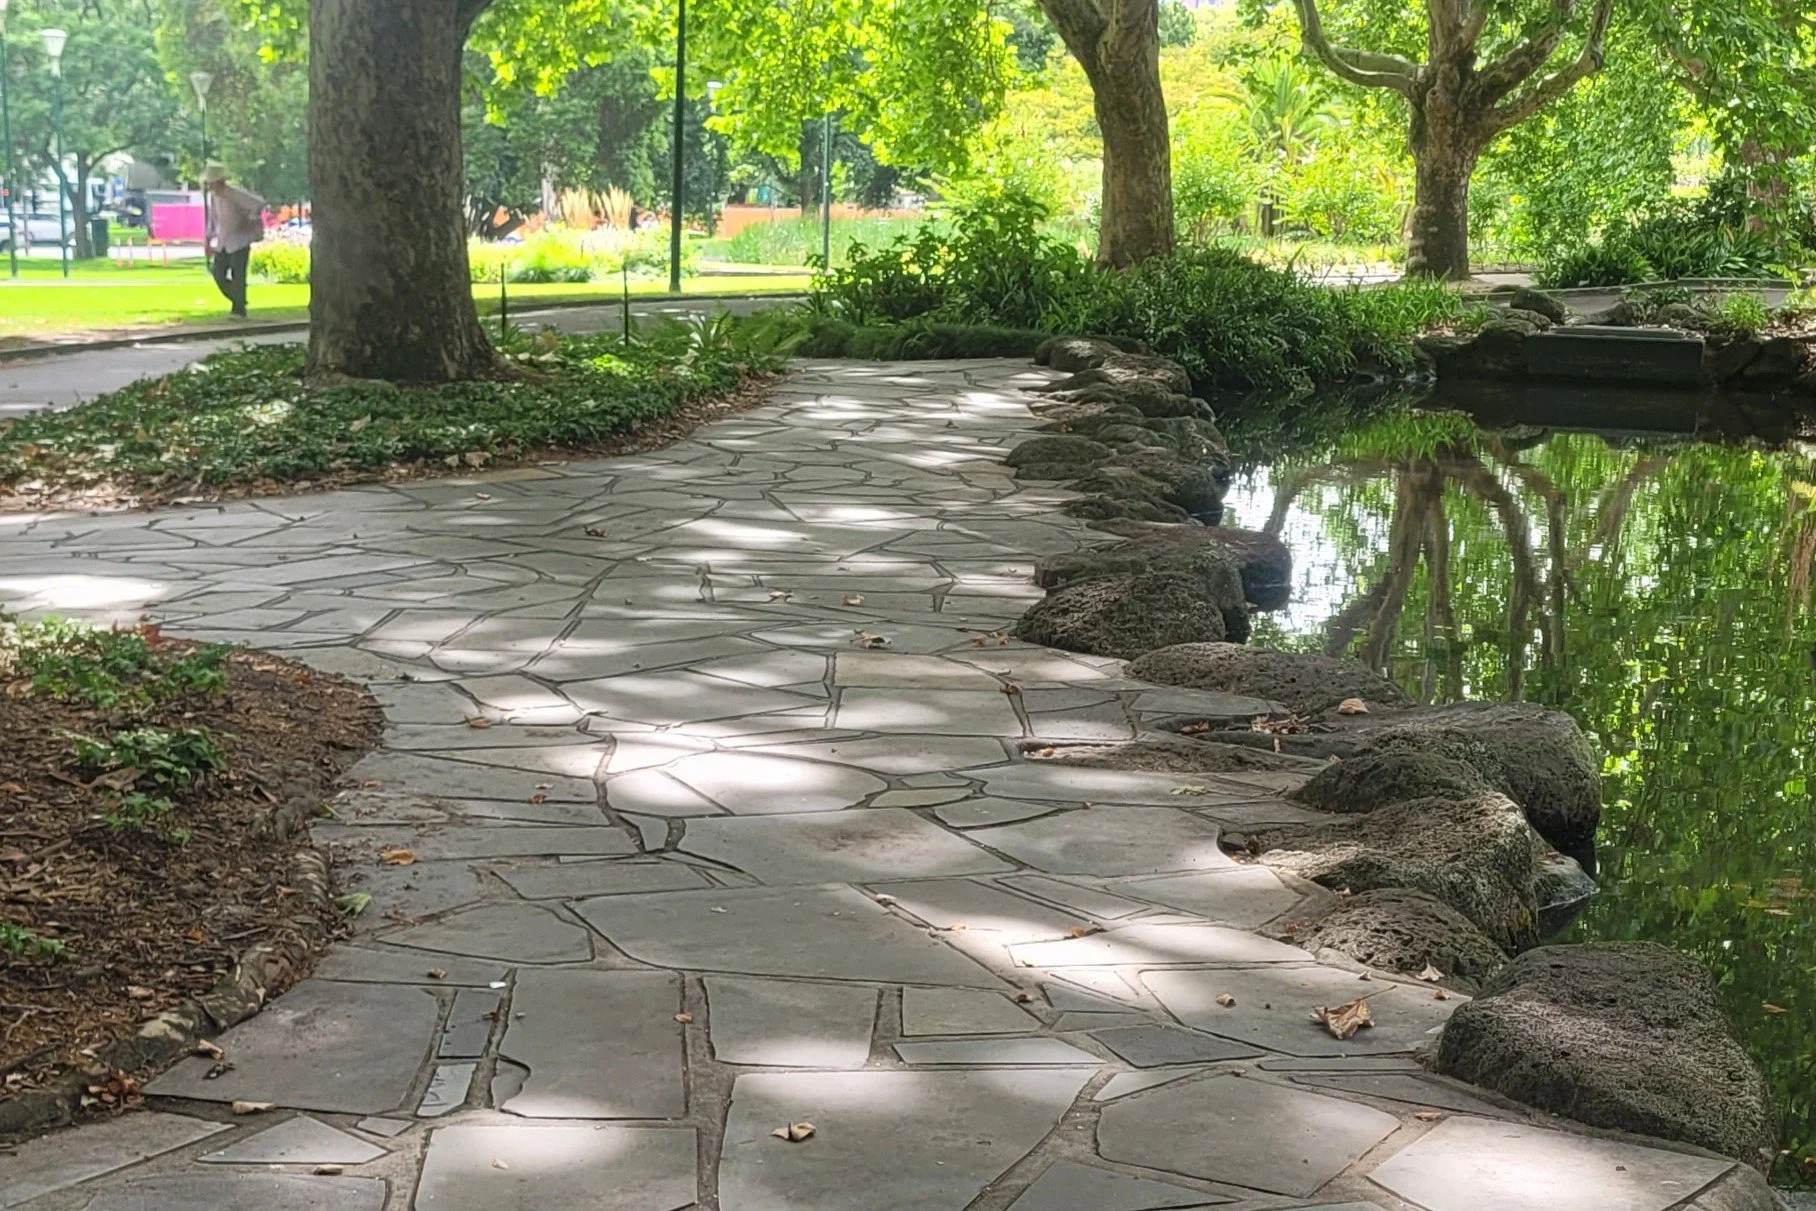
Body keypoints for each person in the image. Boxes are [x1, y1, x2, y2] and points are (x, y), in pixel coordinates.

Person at [201, 163, 265, 319]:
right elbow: (214, 219)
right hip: (224, 240)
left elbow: (258, 203)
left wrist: (250, 220)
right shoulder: (214, 197)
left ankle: (238, 308)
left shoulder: (235, 194)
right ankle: (238, 299)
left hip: (240, 240)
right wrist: (208, 239)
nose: (210, 186)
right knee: (218, 272)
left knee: (238, 274)